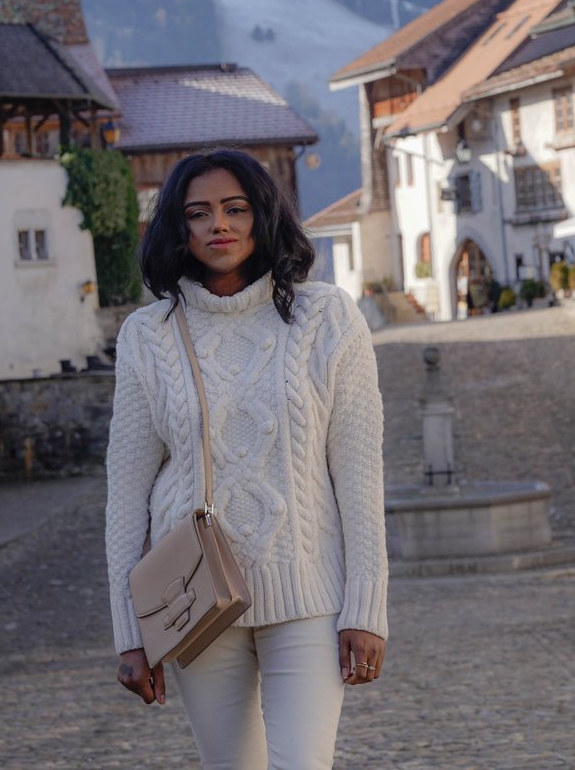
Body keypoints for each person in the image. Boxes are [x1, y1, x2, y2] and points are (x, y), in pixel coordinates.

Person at [105, 149, 388, 769]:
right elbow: (126, 494)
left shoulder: (327, 317)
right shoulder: (147, 336)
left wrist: (366, 609)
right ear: (179, 229)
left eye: (235, 209)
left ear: (263, 216)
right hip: (193, 599)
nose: (219, 225)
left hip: (308, 595)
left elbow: (360, 479)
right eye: (198, 213)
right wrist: (131, 631)